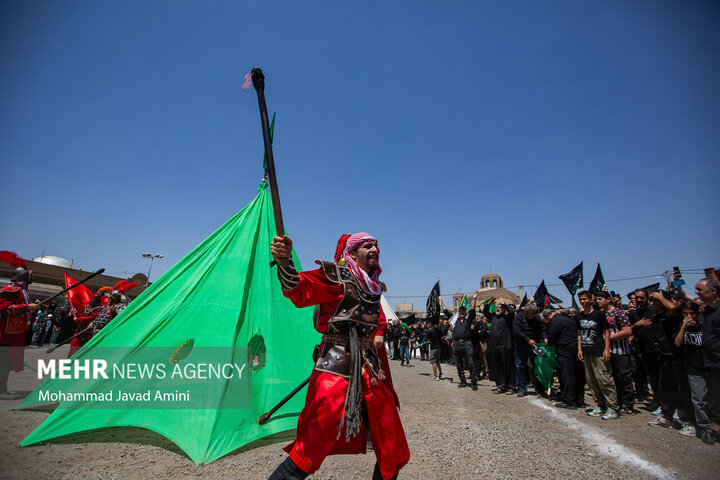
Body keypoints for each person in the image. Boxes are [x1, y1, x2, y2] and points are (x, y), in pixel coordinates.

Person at [268, 232, 409, 480]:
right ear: (352, 254)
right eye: (367, 245)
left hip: (369, 371)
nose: (374, 248)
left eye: (376, 245)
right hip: (336, 368)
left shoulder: (373, 285)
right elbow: (299, 289)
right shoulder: (338, 277)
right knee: (314, 440)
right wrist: (284, 262)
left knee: (391, 438)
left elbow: (377, 321)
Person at [675, 301, 715, 444]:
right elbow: (677, 343)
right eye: (686, 314)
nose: (689, 316)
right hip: (693, 367)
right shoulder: (682, 326)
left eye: (692, 313)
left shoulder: (706, 324)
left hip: (710, 365)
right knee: (699, 399)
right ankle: (704, 428)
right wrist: (683, 328)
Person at [577, 290, 619, 420]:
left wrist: (607, 349)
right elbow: (579, 334)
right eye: (581, 299)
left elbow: (606, 332)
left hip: (598, 350)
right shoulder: (579, 316)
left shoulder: (599, 315)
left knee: (604, 379)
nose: (583, 301)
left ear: (591, 300)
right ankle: (600, 405)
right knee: (591, 380)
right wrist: (580, 349)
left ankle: (612, 407)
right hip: (586, 351)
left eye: (585, 299)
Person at [0, 267, 39, 399]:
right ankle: (1, 391)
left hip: (13, 333)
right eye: (29, 277)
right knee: (3, 363)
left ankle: (3, 389)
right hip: (5, 334)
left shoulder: (21, 291)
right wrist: (26, 307)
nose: (31, 280)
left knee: (6, 363)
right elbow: (4, 308)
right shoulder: (11, 289)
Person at [597, 291, 635, 414]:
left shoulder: (618, 313)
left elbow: (627, 331)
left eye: (600, 299)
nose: (598, 301)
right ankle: (614, 402)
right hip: (604, 351)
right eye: (597, 299)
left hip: (620, 351)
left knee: (623, 378)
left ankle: (627, 405)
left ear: (608, 299)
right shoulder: (601, 314)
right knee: (609, 379)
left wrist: (607, 338)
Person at [545, 308, 584, 409]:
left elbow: (552, 337)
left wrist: (548, 342)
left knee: (568, 376)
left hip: (565, 350)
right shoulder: (566, 319)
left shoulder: (555, 321)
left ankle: (569, 401)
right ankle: (579, 399)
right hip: (574, 349)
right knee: (577, 375)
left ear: (547, 316)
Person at [439, 294, 479, 390]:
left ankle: (473, 382)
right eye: (460, 311)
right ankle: (463, 381)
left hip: (466, 343)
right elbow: (445, 311)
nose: (461, 312)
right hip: (457, 343)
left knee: (470, 363)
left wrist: (474, 299)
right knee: (458, 364)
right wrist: (441, 302)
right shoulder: (455, 320)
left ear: (465, 312)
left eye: (463, 311)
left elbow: (473, 310)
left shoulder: (468, 320)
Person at [696, 278, 720, 433]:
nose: (697, 292)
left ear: (713, 291)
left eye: (700, 290)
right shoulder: (707, 310)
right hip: (709, 362)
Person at [513, 303, 547, 397]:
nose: (531, 315)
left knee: (537, 366)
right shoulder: (519, 317)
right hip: (521, 344)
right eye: (530, 313)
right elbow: (517, 331)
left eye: (533, 313)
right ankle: (521, 388)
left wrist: (545, 338)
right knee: (520, 366)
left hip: (534, 345)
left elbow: (542, 330)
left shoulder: (537, 318)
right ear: (525, 311)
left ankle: (539, 389)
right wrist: (528, 340)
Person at [485, 298, 516, 394]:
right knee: (497, 366)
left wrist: (504, 303)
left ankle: (511, 386)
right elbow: (486, 313)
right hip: (495, 346)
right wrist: (488, 305)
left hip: (505, 345)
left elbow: (511, 311)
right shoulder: (494, 317)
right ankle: (501, 385)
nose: (498, 308)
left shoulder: (507, 318)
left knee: (508, 366)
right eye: (497, 307)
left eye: (500, 307)